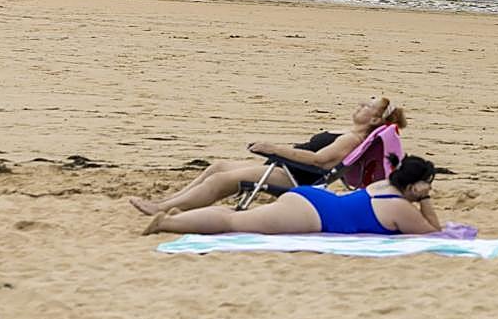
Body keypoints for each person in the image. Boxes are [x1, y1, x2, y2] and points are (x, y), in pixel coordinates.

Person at [130, 96, 406, 216]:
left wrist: (273, 148)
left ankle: (164, 210)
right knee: (218, 166)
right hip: (289, 168)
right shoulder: (350, 133)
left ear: (375, 119)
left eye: (366, 106)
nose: (359, 106)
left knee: (221, 180)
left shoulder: (351, 139)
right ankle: (169, 203)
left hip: (295, 177)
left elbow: (319, 160)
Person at [143, 154, 441, 236]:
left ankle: (180, 217)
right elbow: (433, 233)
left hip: (313, 201)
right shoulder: (400, 208)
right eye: (427, 183)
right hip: (312, 214)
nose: (430, 188)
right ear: (415, 184)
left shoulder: (383, 186)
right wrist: (425, 200)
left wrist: (418, 193)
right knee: (234, 223)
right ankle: (167, 224)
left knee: (239, 217)